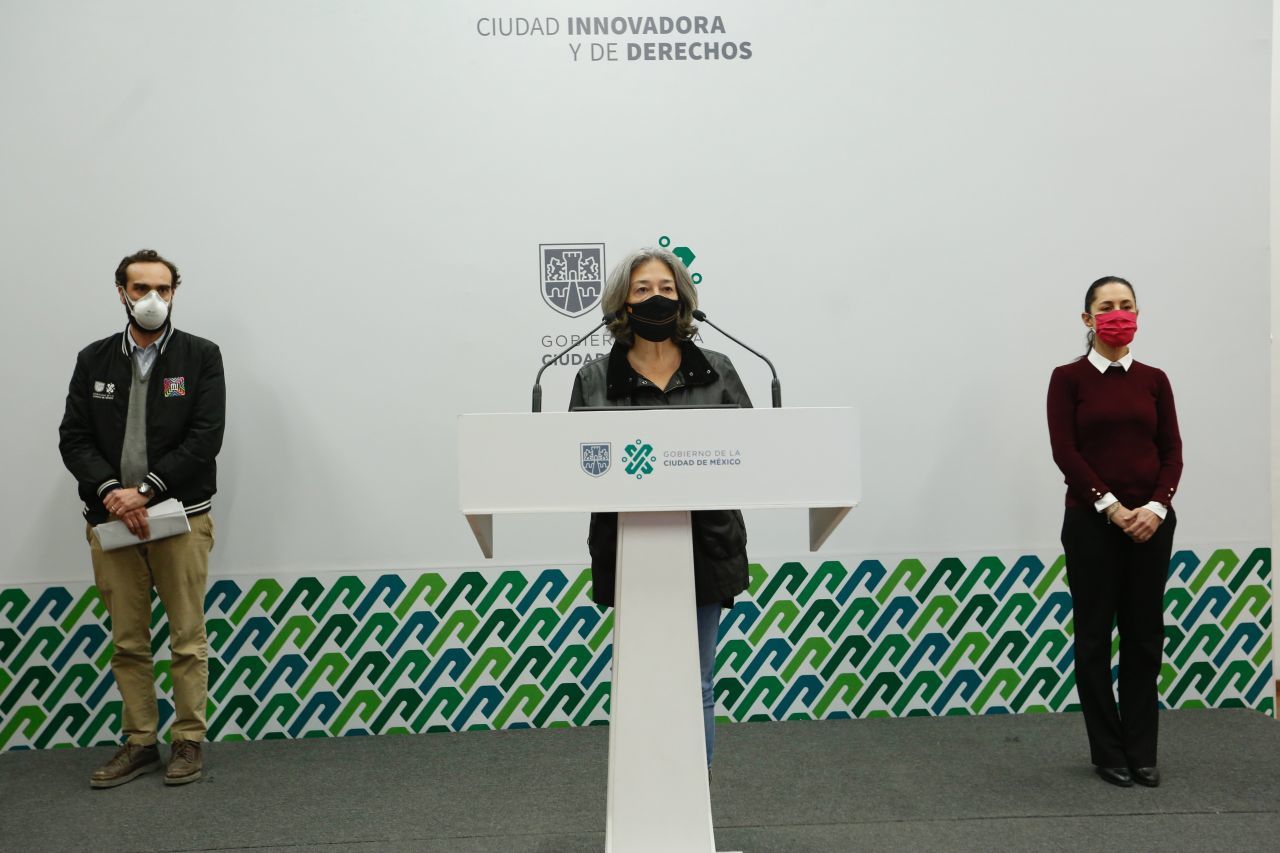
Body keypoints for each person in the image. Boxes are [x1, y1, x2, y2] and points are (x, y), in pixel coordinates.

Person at [569, 246, 751, 774]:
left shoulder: (718, 371)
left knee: (697, 682)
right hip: (631, 548)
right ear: (622, 304)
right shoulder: (593, 378)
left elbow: (754, 455)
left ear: (683, 300)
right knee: (643, 681)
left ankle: (692, 814)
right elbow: (574, 465)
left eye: (666, 289)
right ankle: (646, 806)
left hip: (705, 544)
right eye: (643, 289)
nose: (655, 298)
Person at [58, 249, 225, 788]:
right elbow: (75, 438)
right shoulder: (94, 359)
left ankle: (188, 742)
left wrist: (147, 492)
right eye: (139, 289)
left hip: (180, 517)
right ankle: (139, 742)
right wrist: (112, 492)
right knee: (128, 641)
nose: (152, 299)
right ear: (121, 292)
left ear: (175, 292)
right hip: (111, 520)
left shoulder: (201, 356)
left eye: (163, 289)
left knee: (186, 637)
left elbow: (206, 438)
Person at [1046, 275, 1182, 789]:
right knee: (1095, 636)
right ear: (1088, 320)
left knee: (1145, 637)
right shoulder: (1068, 379)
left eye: (1127, 305)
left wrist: (1154, 506)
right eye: (1107, 307)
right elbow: (1066, 452)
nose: (1119, 314)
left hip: (1152, 523)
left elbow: (1171, 452)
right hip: (1091, 525)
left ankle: (1142, 750)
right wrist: (1110, 506)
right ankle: (1108, 751)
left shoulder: (1154, 379)